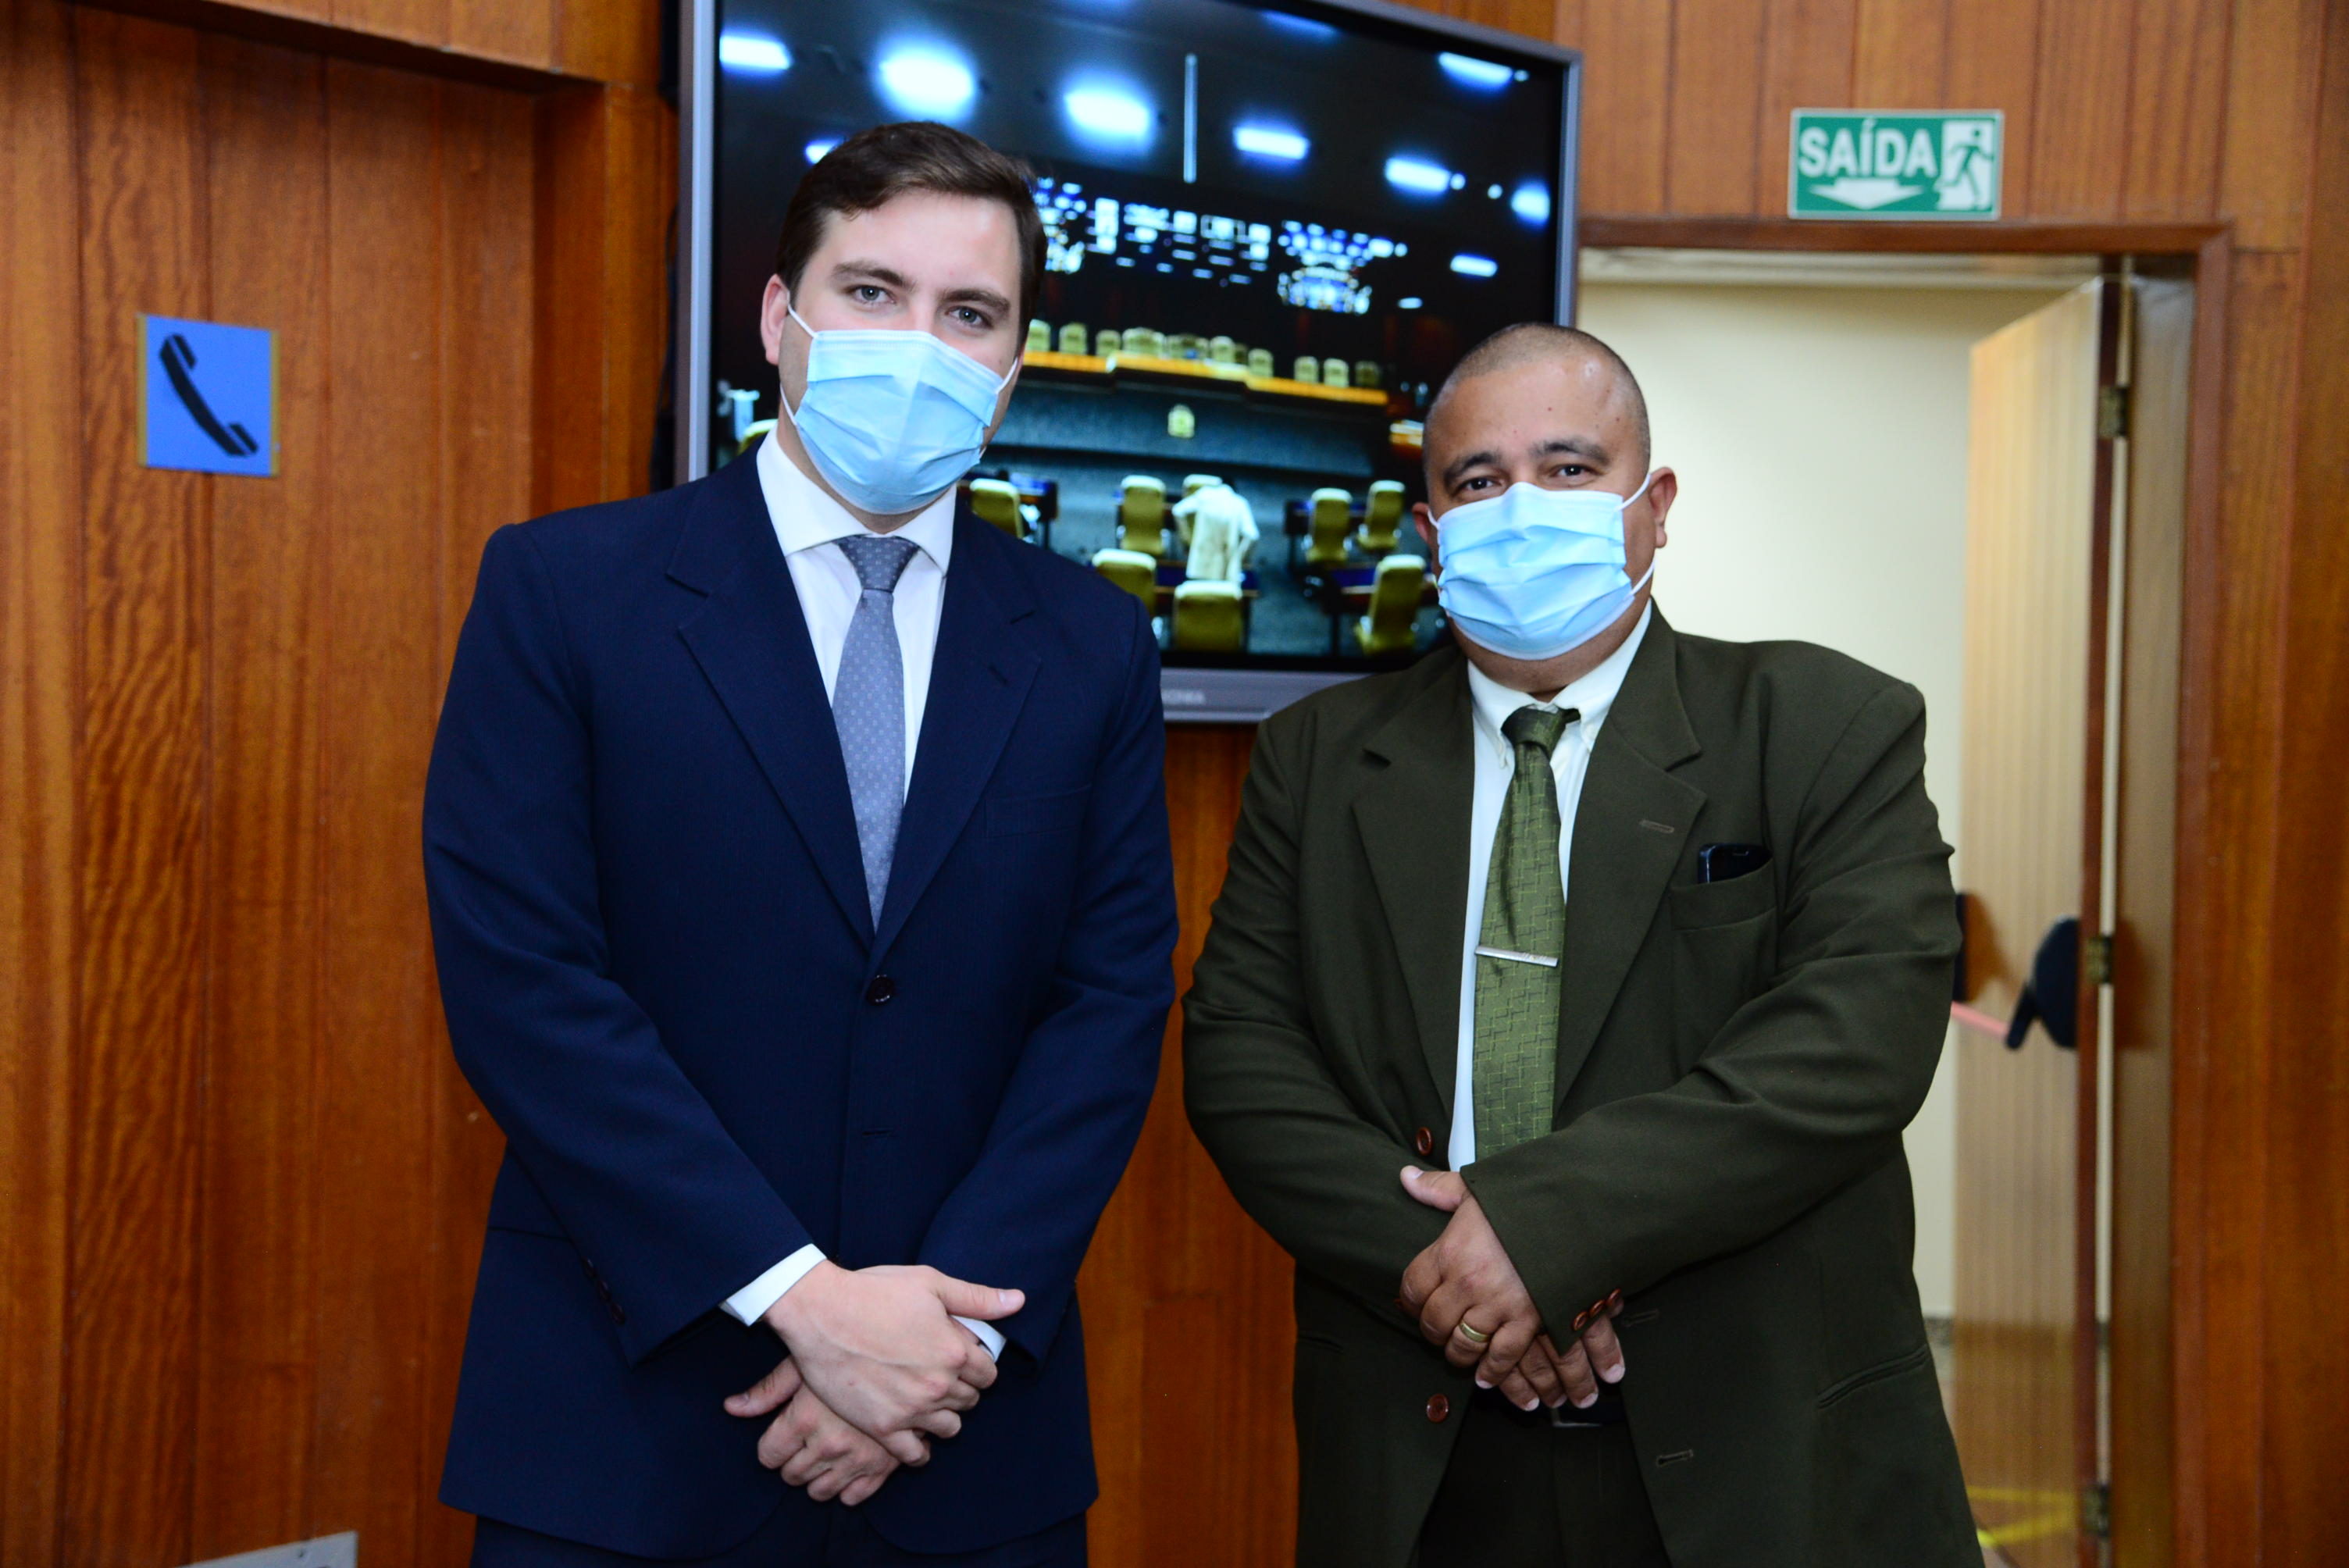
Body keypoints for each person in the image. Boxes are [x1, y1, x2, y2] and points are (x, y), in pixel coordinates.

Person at [425, 121, 1177, 1568]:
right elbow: (525, 983)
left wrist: (943, 1337)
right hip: (628, 1422)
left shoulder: (1090, 643)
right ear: (781, 317)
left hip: (965, 1426)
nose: (920, 343)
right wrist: (802, 1301)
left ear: (1014, 363)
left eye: (971, 313)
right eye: (872, 291)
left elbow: (1108, 1004)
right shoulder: (565, 590)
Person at [1182, 323, 1977, 1567]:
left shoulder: (1826, 723)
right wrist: (1461, 1276)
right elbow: (1242, 1054)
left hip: (1760, 1438)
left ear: (1653, 508)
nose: (1522, 508)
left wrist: (1541, 1236)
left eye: (1567, 468)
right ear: (1431, 529)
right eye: (1479, 480)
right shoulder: (1317, 757)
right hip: (1424, 1434)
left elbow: (1856, 1039)